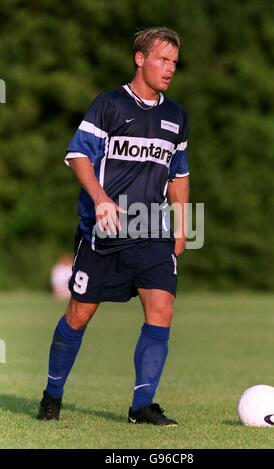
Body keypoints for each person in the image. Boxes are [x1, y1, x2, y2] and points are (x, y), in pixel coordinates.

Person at [37, 26, 190, 426]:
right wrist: (101, 199)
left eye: (174, 61)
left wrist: (182, 224)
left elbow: (179, 175)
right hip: (103, 231)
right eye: (162, 59)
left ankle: (142, 407)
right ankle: (52, 393)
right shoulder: (108, 105)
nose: (169, 68)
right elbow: (78, 157)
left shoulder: (176, 116)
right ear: (140, 59)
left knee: (161, 306)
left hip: (152, 228)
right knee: (78, 314)